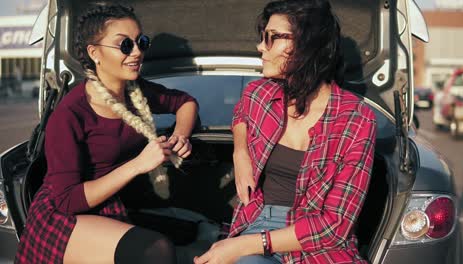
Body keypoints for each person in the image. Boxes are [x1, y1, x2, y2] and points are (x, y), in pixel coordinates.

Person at [194, 0, 376, 263]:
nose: (260, 47)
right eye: (262, 37)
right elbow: (241, 115)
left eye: (271, 38)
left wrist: (239, 247)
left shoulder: (357, 118)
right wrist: (240, 152)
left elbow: (336, 225)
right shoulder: (260, 94)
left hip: (319, 242)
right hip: (258, 220)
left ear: (306, 44)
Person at [15, 4, 198, 264]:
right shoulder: (71, 114)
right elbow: (66, 200)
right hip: (63, 216)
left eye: (141, 42)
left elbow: (186, 103)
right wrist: (138, 165)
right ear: (95, 53)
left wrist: (181, 135)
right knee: (156, 250)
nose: (137, 52)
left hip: (109, 203)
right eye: (125, 45)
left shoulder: (137, 92)